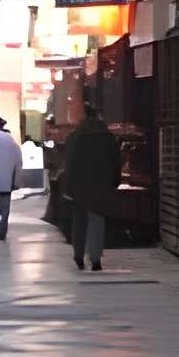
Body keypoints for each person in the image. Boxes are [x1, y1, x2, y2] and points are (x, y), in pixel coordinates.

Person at [52, 83, 121, 272]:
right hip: (100, 185)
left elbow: (69, 163)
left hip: (78, 186)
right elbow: (116, 161)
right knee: (97, 219)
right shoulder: (107, 136)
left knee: (79, 220)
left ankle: (78, 255)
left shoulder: (76, 136)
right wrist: (115, 180)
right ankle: (96, 258)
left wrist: (68, 187)